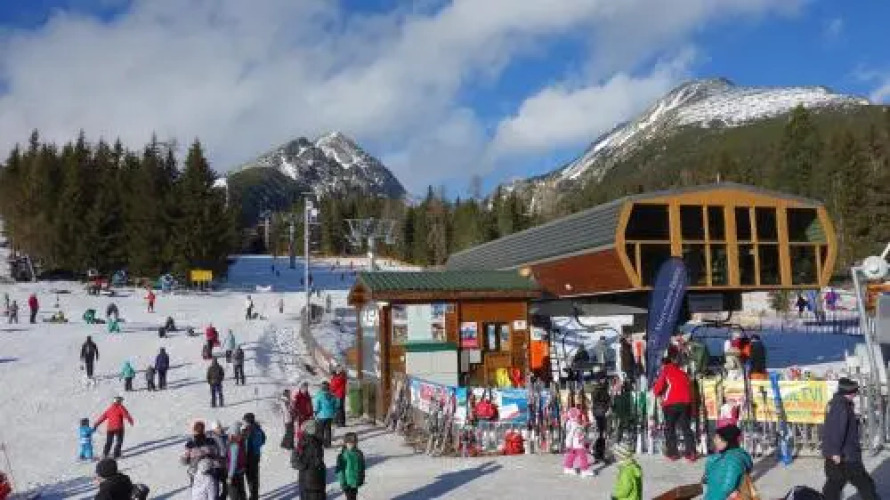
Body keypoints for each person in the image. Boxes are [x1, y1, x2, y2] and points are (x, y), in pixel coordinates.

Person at [821, 378, 879, 500]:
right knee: (865, 484)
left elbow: (830, 428)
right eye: (855, 392)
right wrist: (835, 452)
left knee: (834, 483)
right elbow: (837, 430)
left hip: (838, 454)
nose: (855, 395)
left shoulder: (835, 403)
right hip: (846, 455)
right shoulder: (841, 406)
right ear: (850, 393)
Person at [652, 356, 696, 461]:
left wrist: (657, 392)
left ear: (664, 364)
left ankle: (673, 453)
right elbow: (689, 389)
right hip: (686, 403)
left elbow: (658, 388)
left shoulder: (665, 371)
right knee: (686, 428)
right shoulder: (683, 373)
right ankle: (691, 453)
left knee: (670, 428)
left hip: (671, 403)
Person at [702, 424, 753, 500]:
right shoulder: (724, 456)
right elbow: (706, 479)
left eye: (717, 438)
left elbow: (726, 488)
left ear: (727, 441)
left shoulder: (732, 461)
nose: (714, 441)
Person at [181, 421, 220, 494]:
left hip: (196, 474)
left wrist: (185, 457)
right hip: (211, 472)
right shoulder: (212, 441)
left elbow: (184, 461)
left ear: (194, 431)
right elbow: (217, 454)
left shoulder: (190, 445)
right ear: (203, 430)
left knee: (198, 495)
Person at [292, 420, 327, 500]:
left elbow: (319, 458)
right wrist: (306, 466)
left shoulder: (317, 442)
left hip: (317, 478)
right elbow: (294, 461)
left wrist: (321, 467)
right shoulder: (301, 443)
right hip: (308, 479)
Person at [562, 407, 593, 477]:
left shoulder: (573, 423)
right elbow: (570, 435)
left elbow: (579, 430)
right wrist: (568, 444)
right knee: (583, 456)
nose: (580, 417)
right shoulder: (574, 425)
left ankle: (568, 467)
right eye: (579, 416)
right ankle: (584, 470)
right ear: (575, 416)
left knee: (572, 455)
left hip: (575, 444)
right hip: (578, 444)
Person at [242, 413, 266, 500]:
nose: (244, 422)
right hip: (256, 455)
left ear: (248, 421)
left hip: (249, 457)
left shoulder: (248, 430)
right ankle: (255, 495)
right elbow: (263, 440)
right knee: (255, 476)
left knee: (250, 478)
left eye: (244, 420)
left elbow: (244, 444)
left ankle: (253, 497)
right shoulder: (258, 428)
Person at [336, 432, 365, 500]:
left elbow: (362, 467)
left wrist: (361, 477)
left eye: (353, 443)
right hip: (347, 483)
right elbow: (340, 471)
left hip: (355, 481)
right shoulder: (343, 455)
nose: (351, 445)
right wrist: (343, 482)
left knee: (354, 497)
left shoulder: (359, 453)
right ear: (345, 444)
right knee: (349, 497)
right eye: (349, 443)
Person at [226, 421, 248, 500]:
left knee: (234, 493)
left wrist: (230, 476)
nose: (228, 435)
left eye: (230, 433)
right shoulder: (241, 441)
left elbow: (233, 461)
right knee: (241, 491)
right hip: (240, 470)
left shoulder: (234, 445)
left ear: (233, 433)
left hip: (234, 473)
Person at [207, 421, 229, 500]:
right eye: (217, 427)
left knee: (226, 486)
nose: (219, 429)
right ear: (214, 429)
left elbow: (228, 447)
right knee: (215, 487)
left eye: (220, 426)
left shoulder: (225, 436)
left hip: (224, 465)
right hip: (215, 466)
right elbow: (209, 451)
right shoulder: (210, 438)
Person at [590, 379, 611, 462]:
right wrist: (607, 409)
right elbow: (608, 402)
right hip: (602, 414)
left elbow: (593, 403)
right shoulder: (604, 392)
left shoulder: (594, 391)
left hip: (597, 414)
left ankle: (597, 453)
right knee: (602, 434)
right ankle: (600, 454)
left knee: (599, 434)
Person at [314, 382, 339, 448]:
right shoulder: (332, 395)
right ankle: (328, 444)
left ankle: (320, 444)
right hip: (330, 415)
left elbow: (316, 405)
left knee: (320, 431)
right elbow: (336, 404)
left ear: (322, 387)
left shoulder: (319, 395)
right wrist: (334, 412)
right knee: (328, 430)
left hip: (321, 416)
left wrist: (315, 412)